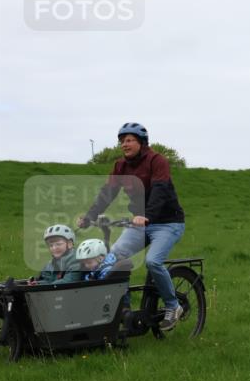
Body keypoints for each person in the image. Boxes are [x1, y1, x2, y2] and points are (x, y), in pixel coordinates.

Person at [79, 123, 186, 331]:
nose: (124, 145)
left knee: (153, 262)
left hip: (168, 223)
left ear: (142, 142)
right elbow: (107, 193)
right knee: (114, 258)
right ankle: (124, 310)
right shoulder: (121, 166)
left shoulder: (157, 160)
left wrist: (147, 216)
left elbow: (160, 191)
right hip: (140, 223)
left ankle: (174, 307)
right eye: (121, 141)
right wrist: (90, 216)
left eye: (129, 140)